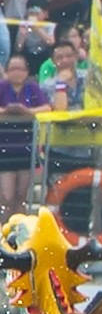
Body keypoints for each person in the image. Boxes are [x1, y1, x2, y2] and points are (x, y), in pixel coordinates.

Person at [0, 54, 50, 221]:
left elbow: (47, 108)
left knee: (21, 196)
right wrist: (7, 112)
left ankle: (18, 232)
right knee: (7, 197)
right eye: (12, 69)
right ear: (6, 72)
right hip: (5, 149)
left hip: (26, 149)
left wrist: (27, 111)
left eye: (20, 69)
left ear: (27, 72)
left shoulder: (33, 88)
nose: (16, 73)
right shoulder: (2, 87)